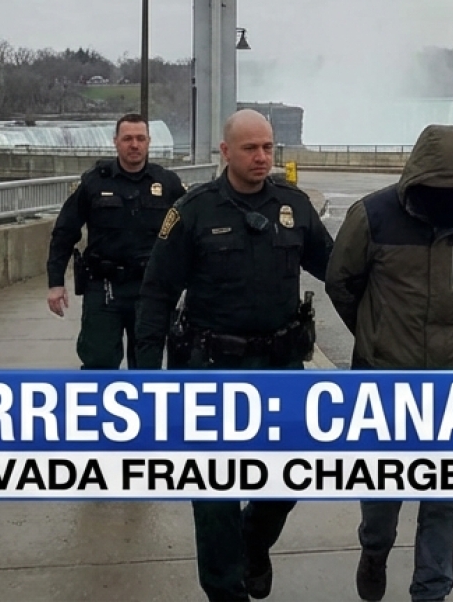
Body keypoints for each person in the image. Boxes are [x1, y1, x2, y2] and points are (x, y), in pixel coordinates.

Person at [135, 109, 332, 602]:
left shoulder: (294, 207)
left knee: (291, 476)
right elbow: (157, 295)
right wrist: (145, 382)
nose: (262, 157)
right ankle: (226, 590)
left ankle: (253, 540)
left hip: (280, 368)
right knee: (214, 495)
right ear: (225, 152)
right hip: (210, 368)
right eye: (250, 148)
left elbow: (338, 271)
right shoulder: (193, 211)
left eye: (268, 147)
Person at [326, 124, 453, 602]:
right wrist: (374, 334)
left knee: (445, 496)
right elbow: (340, 281)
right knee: (382, 493)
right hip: (385, 380)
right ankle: (375, 549)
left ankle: (431, 590)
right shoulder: (373, 215)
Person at [46, 113, 186, 370]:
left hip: (150, 290)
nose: (134, 145)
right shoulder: (94, 182)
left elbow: (188, 235)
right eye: (127, 139)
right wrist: (56, 282)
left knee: (146, 366)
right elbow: (65, 231)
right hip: (104, 288)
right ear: (116, 142)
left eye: (140, 139)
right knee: (98, 361)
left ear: (149, 141)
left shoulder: (167, 183)